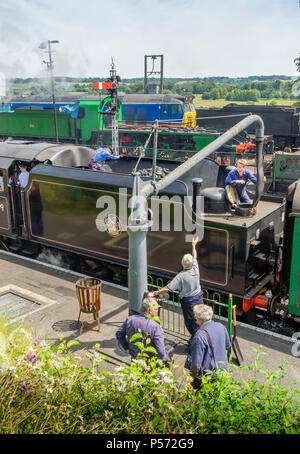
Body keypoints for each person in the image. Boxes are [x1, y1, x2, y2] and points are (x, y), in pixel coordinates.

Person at [148, 237, 202, 336]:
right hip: (198, 298)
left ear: (182, 263)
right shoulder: (195, 268)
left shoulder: (181, 276)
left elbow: (168, 288)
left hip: (189, 303)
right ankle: (199, 337)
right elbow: (195, 256)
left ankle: (196, 340)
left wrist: (155, 293)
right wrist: (194, 245)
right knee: (198, 321)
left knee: (190, 323)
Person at [116, 296, 169, 363]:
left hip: (135, 358)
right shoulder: (156, 327)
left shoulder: (130, 319)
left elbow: (119, 334)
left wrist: (127, 346)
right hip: (150, 361)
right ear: (150, 311)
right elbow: (160, 349)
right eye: (156, 309)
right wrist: (165, 359)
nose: (157, 311)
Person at [188, 304, 231, 386]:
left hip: (208, 375)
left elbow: (196, 363)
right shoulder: (221, 326)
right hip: (223, 370)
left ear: (198, 319)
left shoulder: (199, 336)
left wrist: (192, 377)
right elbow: (227, 345)